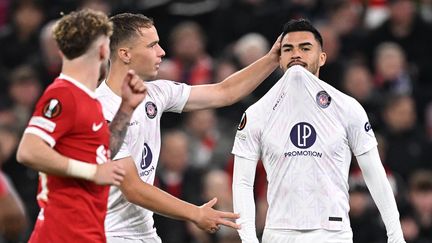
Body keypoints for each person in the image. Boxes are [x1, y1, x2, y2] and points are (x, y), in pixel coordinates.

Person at [96, 13, 280, 243]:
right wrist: (196, 213)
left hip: (144, 233)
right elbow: (132, 188)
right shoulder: (99, 109)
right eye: (152, 45)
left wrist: (273, 58)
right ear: (125, 54)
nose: (162, 52)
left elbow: (224, 92)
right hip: (108, 234)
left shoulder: (156, 93)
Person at [231, 19, 406, 243]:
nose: (296, 54)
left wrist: (395, 235)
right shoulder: (257, 113)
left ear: (322, 57)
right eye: (288, 49)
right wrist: (247, 239)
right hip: (279, 233)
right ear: (280, 59)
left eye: (305, 48)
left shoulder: (347, 108)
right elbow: (243, 182)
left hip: (333, 234)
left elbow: (374, 174)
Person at [16, 9, 147, 243]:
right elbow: (29, 151)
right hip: (62, 232)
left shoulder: (89, 100)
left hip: (86, 229)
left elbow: (100, 153)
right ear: (103, 50)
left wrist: (126, 109)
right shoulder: (63, 94)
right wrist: (92, 172)